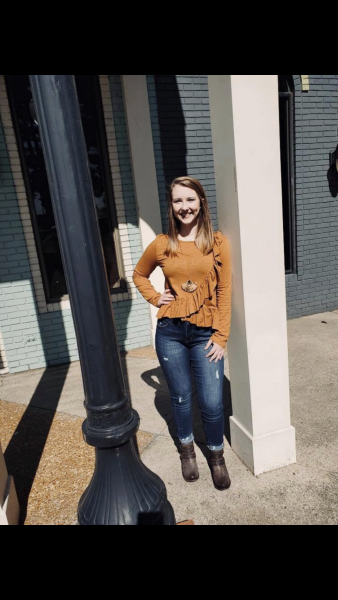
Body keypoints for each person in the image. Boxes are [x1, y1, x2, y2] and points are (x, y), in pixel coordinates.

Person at [132, 176, 232, 491]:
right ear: (171, 205)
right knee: (180, 397)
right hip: (171, 332)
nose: (184, 207)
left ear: (201, 202)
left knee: (213, 403)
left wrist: (221, 336)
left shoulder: (218, 243)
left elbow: (225, 290)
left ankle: (216, 457)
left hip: (205, 334)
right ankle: (186, 449)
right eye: (178, 201)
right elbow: (139, 274)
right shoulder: (162, 243)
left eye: (190, 199)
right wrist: (153, 297)